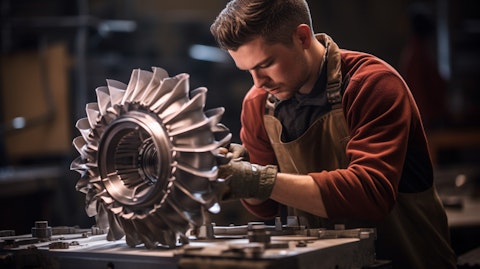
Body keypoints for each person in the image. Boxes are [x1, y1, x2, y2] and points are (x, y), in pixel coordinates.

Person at [210, 0, 457, 268]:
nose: (258, 82)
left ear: (302, 37)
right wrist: (241, 174)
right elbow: (266, 208)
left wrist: (259, 180)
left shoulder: (371, 85)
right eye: (248, 70)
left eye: (266, 63)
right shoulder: (259, 104)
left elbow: (371, 194)